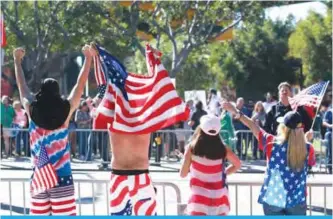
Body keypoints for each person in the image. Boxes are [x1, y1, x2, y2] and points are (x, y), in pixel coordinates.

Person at [13, 45, 94, 215]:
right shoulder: (66, 110)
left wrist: (17, 62)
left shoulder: (31, 109)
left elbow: (22, 88)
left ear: (41, 92)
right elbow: (80, 86)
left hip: (39, 177)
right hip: (62, 176)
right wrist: (88, 59)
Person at [222, 101, 316, 215]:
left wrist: (236, 112)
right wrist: (305, 140)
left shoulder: (271, 143)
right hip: (297, 200)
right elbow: (309, 164)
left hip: (273, 199)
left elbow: (253, 126)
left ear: (283, 128)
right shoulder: (309, 148)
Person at [179, 115, 241, 215]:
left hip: (198, 199)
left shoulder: (191, 148)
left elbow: (183, 174)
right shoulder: (223, 148)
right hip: (219, 198)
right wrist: (224, 173)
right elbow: (237, 164)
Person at [323, 96, 332, 174]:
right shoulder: (329, 111)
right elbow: (324, 122)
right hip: (330, 132)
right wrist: (330, 126)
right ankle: (330, 166)